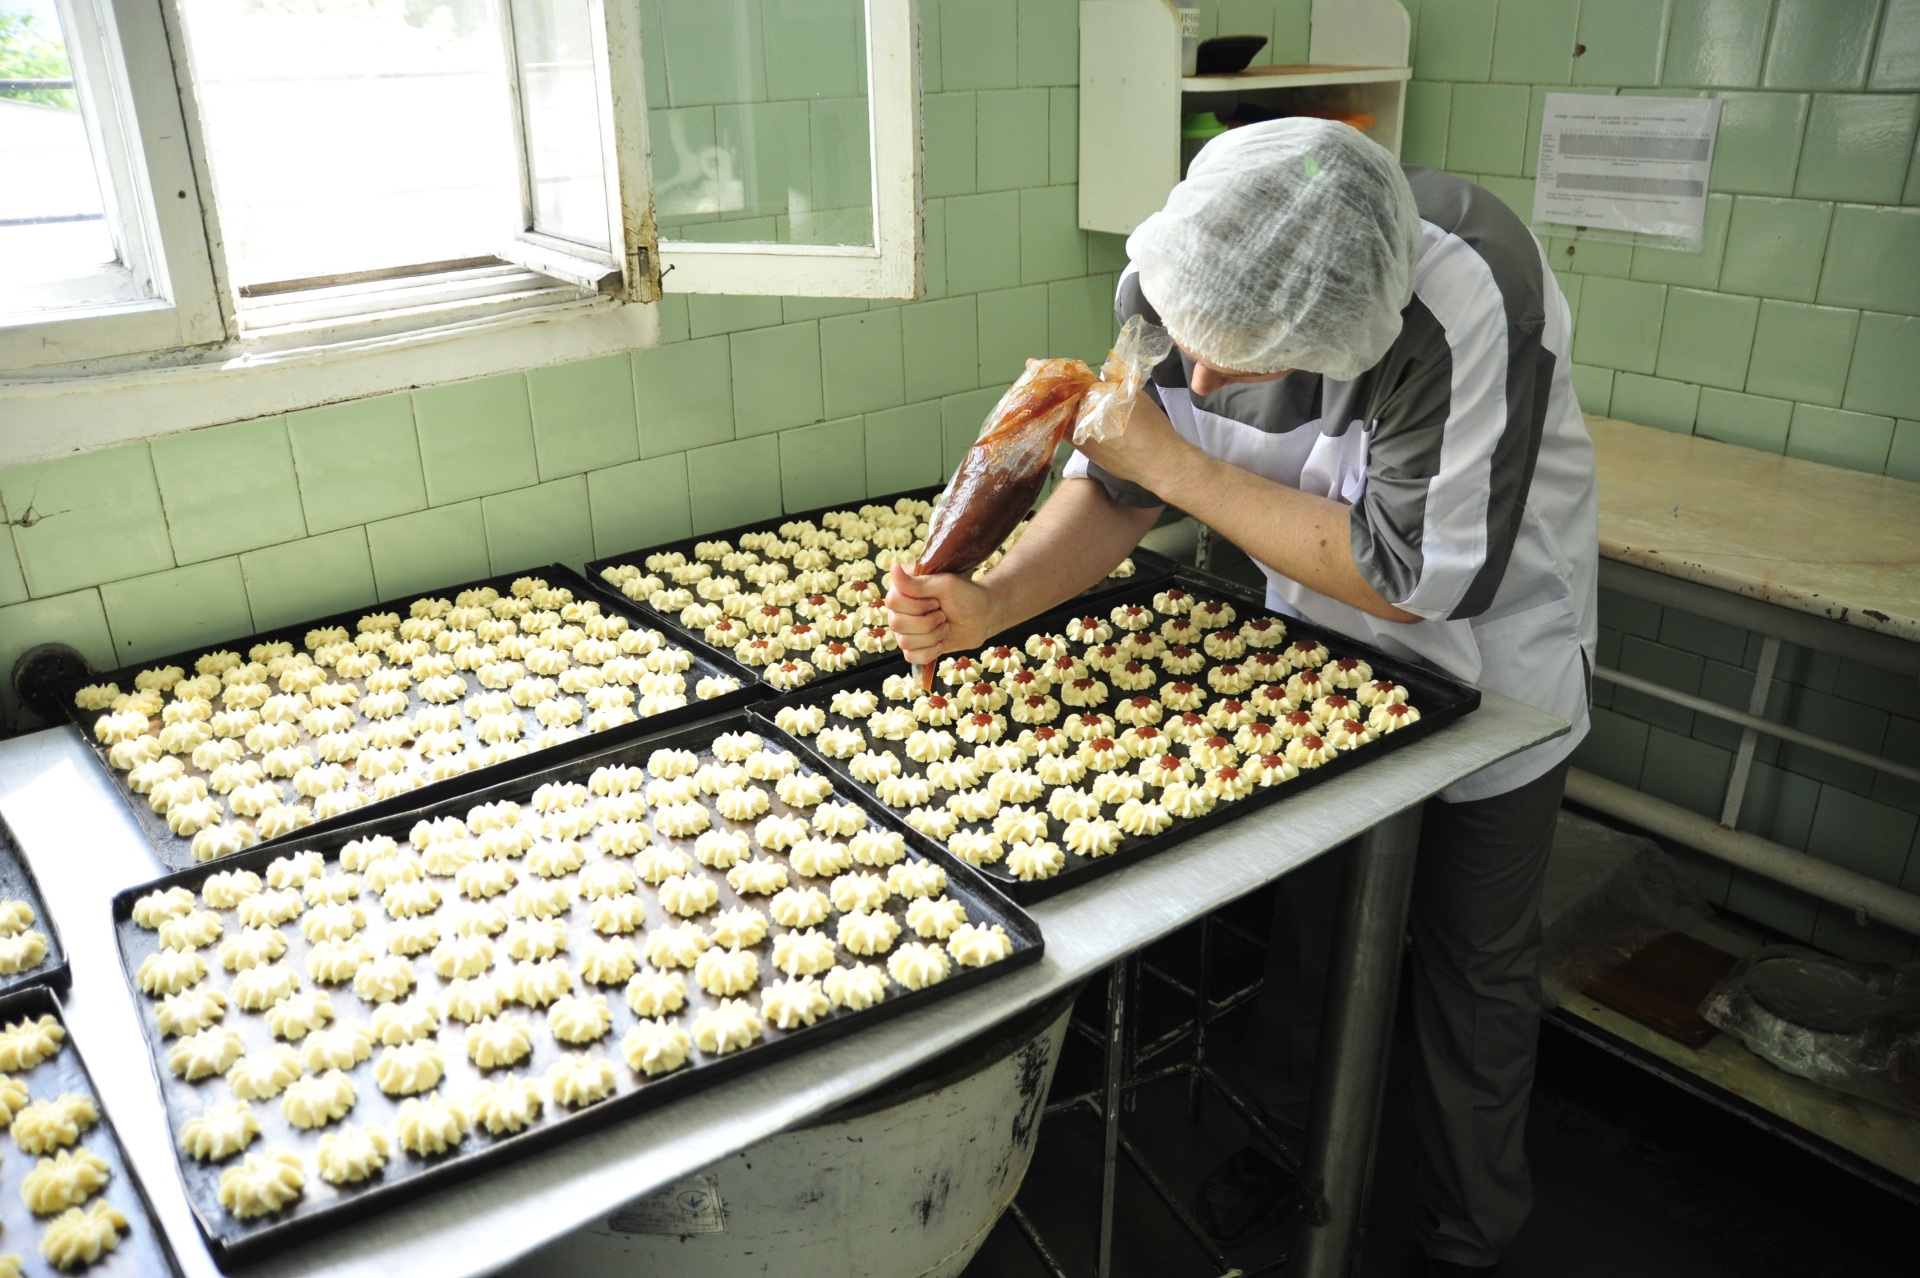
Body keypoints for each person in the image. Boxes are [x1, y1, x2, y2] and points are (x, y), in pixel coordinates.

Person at [885, 119, 1597, 1277]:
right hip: (1321, 653)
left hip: (1494, 657)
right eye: (1190, 344)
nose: (1202, 379)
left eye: (1247, 362)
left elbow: (1419, 578)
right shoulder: (1182, 272)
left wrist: (1178, 464)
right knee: (1317, 928)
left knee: (1473, 963)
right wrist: (993, 602)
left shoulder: (1465, 302)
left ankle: (1467, 1227)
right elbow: (1117, 484)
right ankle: (1287, 1148)